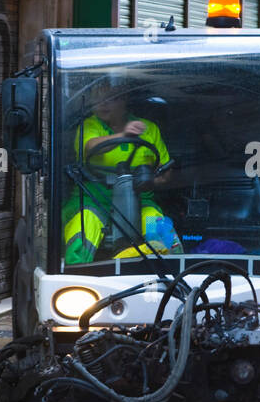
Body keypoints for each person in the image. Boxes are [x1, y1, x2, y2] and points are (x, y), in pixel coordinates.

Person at [64, 78, 179, 265]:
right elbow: (90, 146)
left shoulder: (149, 129)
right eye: (97, 99)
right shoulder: (89, 127)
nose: (102, 104)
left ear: (124, 99)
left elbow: (166, 173)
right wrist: (124, 135)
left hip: (140, 200)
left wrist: (151, 181)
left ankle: (171, 275)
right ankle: (75, 272)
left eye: (109, 99)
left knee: (157, 224)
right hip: (94, 199)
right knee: (84, 224)